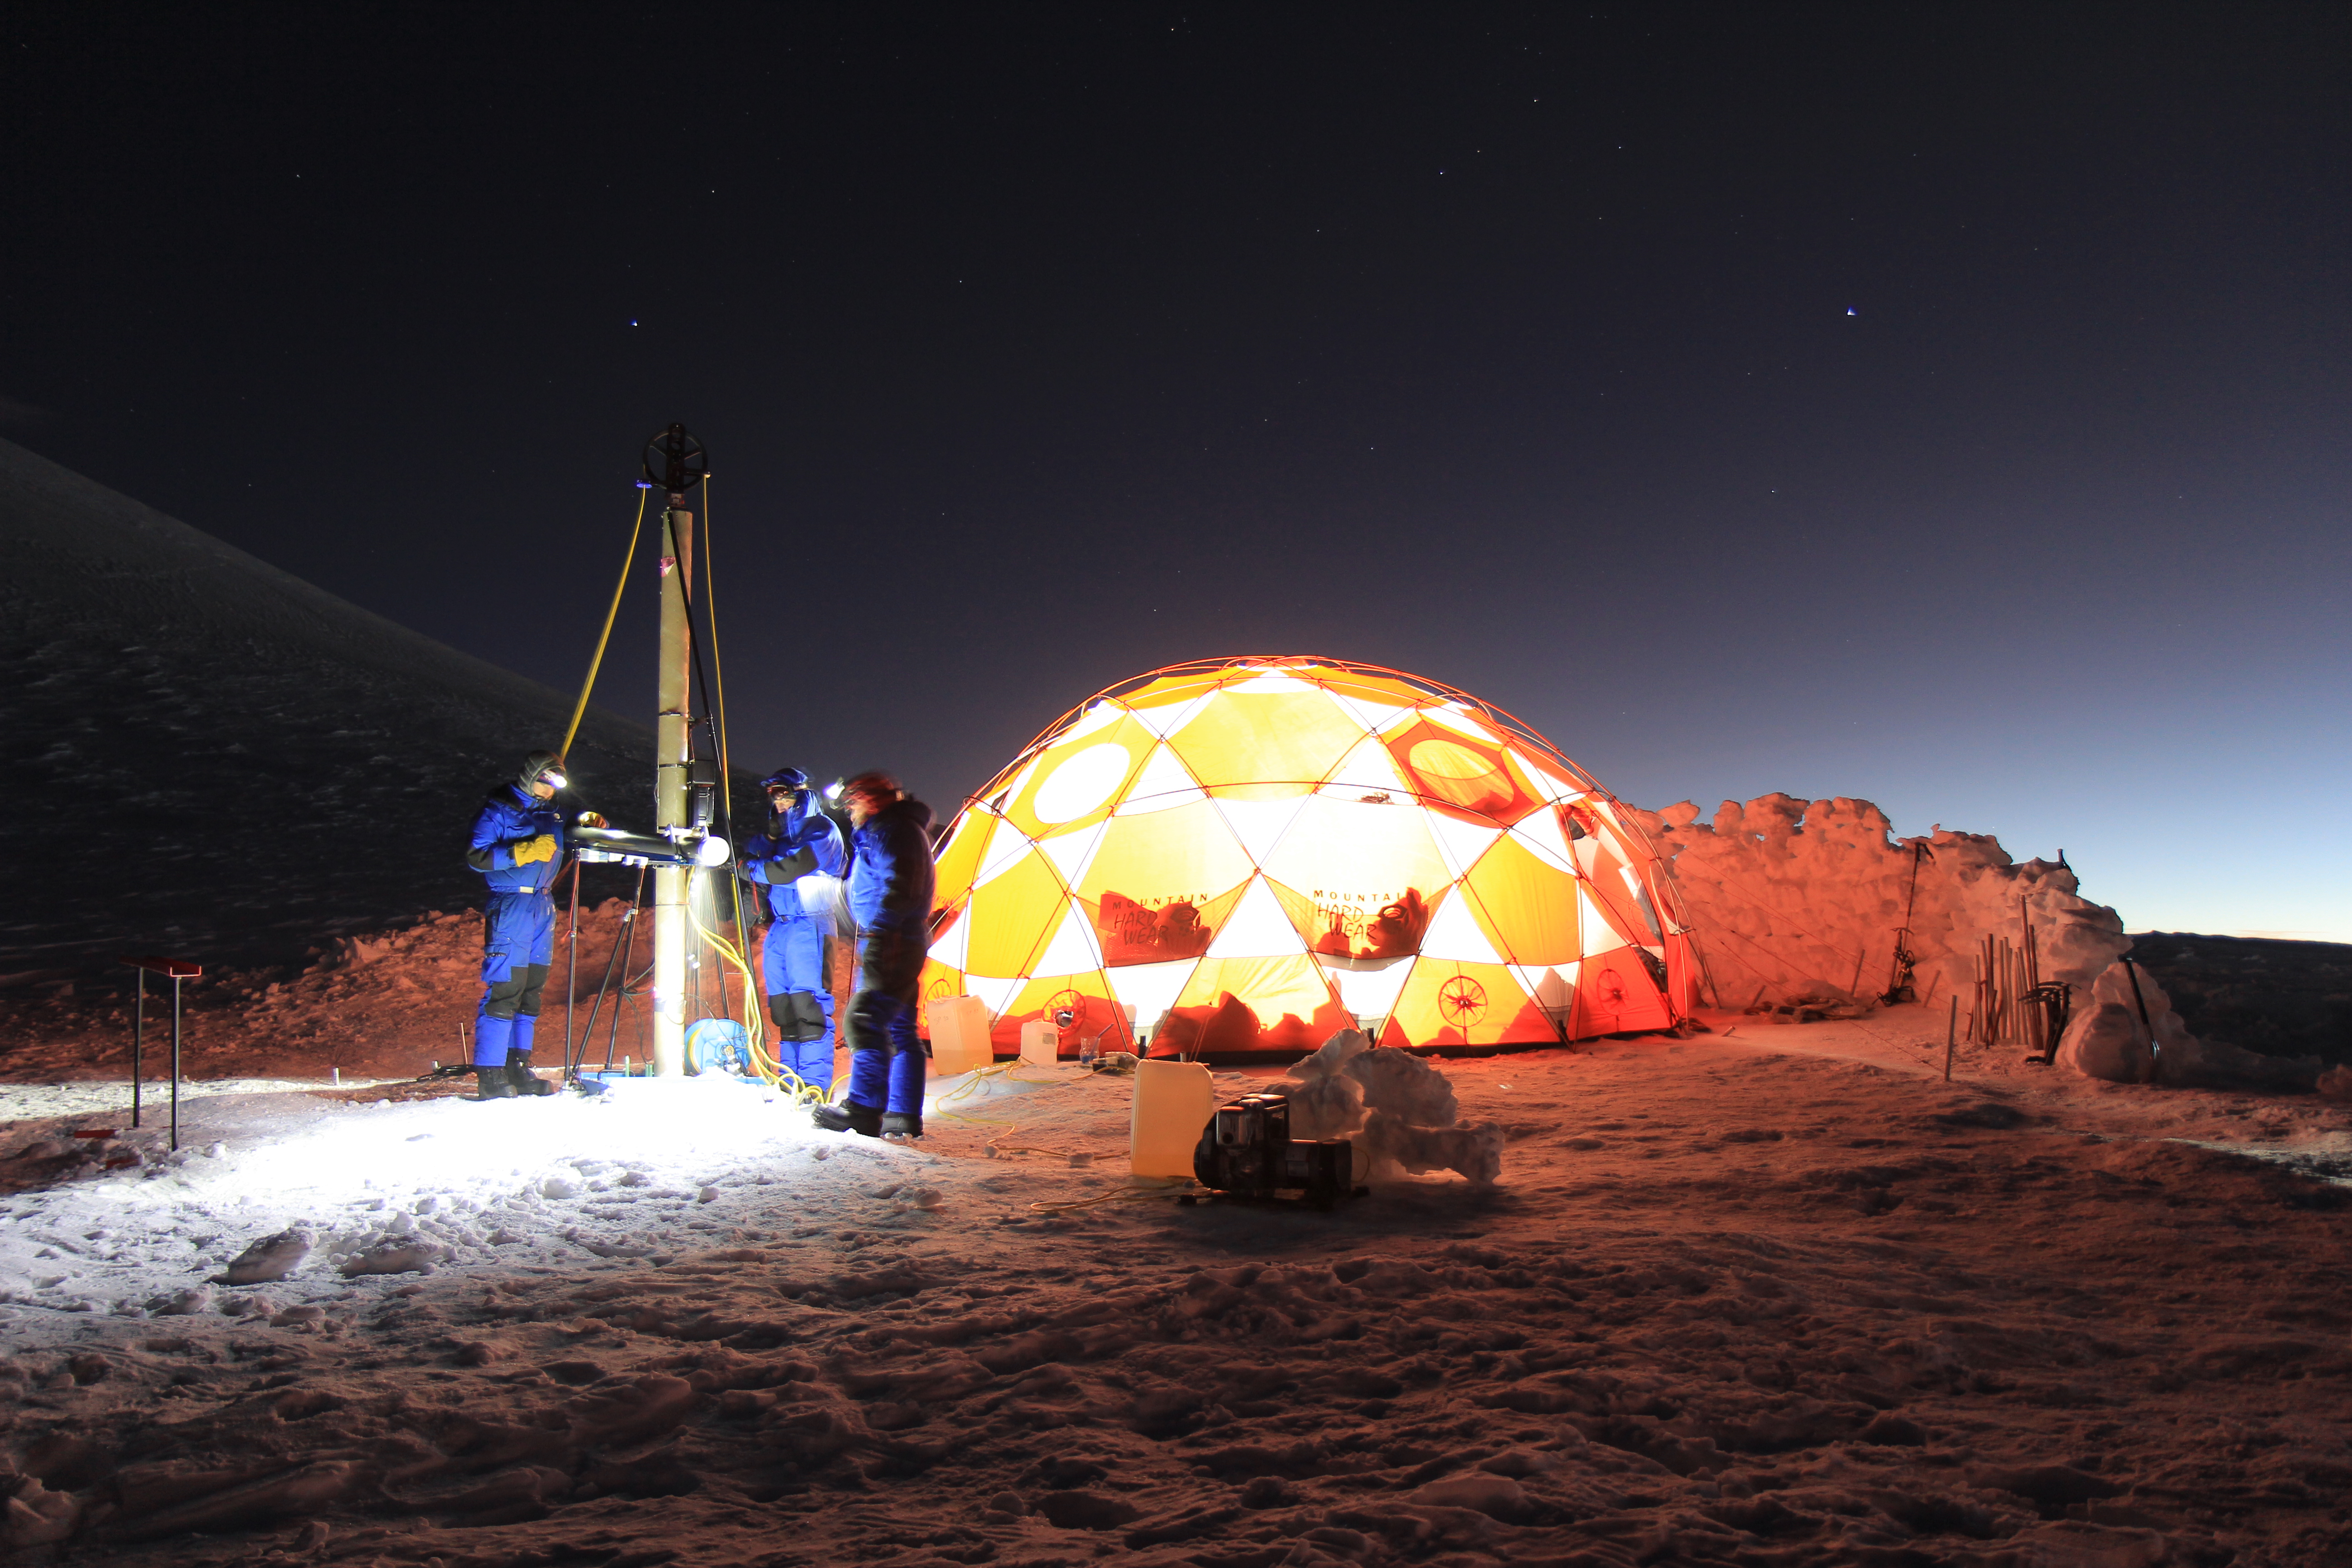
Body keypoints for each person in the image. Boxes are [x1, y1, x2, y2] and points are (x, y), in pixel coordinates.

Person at [814, 770, 935, 1138]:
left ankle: (864, 1109)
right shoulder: (895, 831)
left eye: (851, 804)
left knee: (866, 1019)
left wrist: (883, 928)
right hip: (900, 934)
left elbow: (902, 885)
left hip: (893, 936)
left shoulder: (891, 831)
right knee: (900, 1027)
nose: (849, 812)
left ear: (869, 800)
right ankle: (903, 1115)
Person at [463, 749, 571, 1099]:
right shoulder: (499, 811)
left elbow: (568, 829)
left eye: (555, 784)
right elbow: (477, 856)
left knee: (531, 990)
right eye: (546, 781)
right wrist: (522, 852)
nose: (550, 790)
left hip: (542, 904)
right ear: (532, 776)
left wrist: (588, 823)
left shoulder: (550, 815)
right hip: (511, 902)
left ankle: (518, 1066)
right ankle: (491, 1073)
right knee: (506, 986)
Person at [739, 767, 848, 1094]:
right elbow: (752, 850)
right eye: (773, 795)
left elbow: (788, 869)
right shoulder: (784, 837)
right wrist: (770, 838)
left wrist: (750, 868)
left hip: (812, 923)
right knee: (785, 1010)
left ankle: (813, 1088)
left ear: (801, 793)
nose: (779, 801)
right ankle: (791, 1083)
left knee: (809, 1006)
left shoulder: (822, 830)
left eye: (784, 793)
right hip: (783, 927)